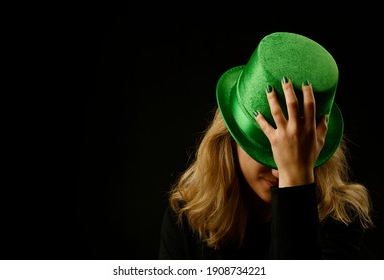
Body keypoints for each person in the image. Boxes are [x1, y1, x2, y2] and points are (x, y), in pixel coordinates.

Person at [158, 32, 374, 260]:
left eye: (298, 156)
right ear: (231, 139)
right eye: (268, 151)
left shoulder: (342, 217)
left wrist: (297, 180)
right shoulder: (187, 215)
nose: (278, 171)